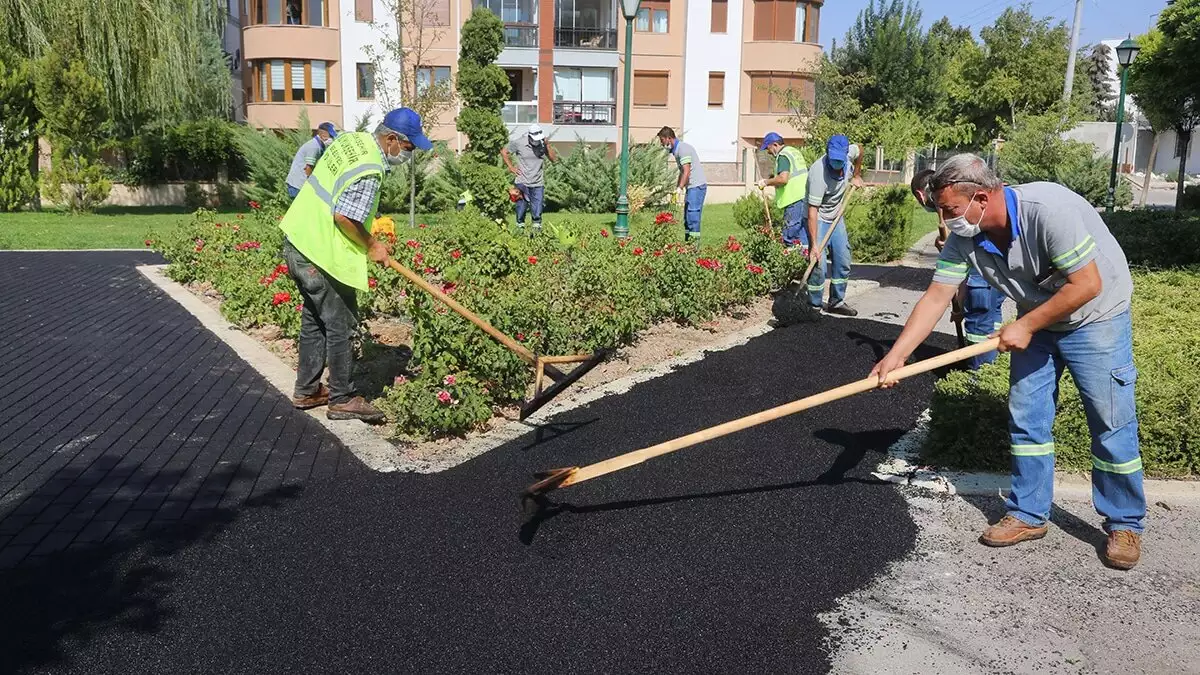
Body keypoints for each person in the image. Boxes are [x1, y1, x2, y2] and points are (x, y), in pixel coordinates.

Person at [870, 154, 1145, 570]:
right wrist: (896, 356)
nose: (945, 220)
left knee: (1110, 421)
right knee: (1027, 416)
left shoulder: (1049, 210)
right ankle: (1029, 513)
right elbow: (937, 296)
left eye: (949, 209)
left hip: (1096, 317)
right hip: (1038, 319)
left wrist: (1025, 325)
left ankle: (1124, 522)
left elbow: (1087, 284)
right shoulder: (967, 235)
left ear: (981, 197)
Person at [279, 108, 432, 423]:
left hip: (298, 239)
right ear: (391, 139)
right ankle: (342, 398)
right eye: (409, 147)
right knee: (342, 322)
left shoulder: (354, 142)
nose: (410, 154)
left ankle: (307, 391)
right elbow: (343, 216)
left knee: (315, 319)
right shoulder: (370, 167)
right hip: (319, 253)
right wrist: (374, 244)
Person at [911, 168, 1007, 368]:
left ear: (921, 195)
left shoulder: (955, 215)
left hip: (980, 278)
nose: (946, 215)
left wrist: (961, 304)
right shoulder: (960, 200)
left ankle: (978, 373)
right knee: (991, 319)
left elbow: (959, 270)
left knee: (978, 327)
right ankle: (994, 364)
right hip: (997, 274)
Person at [804, 134, 863, 317]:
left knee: (843, 258)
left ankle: (836, 302)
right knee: (818, 262)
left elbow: (860, 149)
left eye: (839, 159)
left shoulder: (849, 153)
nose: (836, 163)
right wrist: (814, 245)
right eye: (833, 159)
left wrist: (857, 174)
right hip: (819, 217)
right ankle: (813, 305)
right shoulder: (817, 173)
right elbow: (812, 211)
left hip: (837, 216)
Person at [757, 132, 810, 249]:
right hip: (804, 197)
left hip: (794, 199)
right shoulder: (794, 152)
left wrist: (766, 182)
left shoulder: (783, 156)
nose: (768, 152)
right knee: (802, 236)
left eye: (768, 148)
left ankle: (791, 263)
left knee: (790, 236)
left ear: (775, 145)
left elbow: (783, 179)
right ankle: (805, 263)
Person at [501, 124, 557, 233]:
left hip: (537, 182)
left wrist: (548, 145)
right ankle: (519, 228)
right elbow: (504, 152)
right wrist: (511, 167)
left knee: (537, 208)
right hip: (522, 181)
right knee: (521, 208)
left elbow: (553, 159)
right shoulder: (519, 143)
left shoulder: (542, 144)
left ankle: (536, 229)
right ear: (529, 136)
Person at [657, 127, 707, 243]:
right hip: (691, 188)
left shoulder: (683, 149)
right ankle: (687, 246)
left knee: (692, 218)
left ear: (669, 138)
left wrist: (680, 188)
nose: (662, 144)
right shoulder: (677, 150)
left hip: (697, 187)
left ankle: (693, 249)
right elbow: (682, 172)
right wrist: (677, 187)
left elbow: (687, 171)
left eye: (662, 140)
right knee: (687, 219)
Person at [285, 122, 338, 200]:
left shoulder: (319, 145)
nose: (331, 138)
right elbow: (308, 169)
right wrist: (314, 186)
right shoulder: (314, 147)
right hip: (297, 185)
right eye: (330, 136)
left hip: (298, 183)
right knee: (301, 210)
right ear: (323, 134)